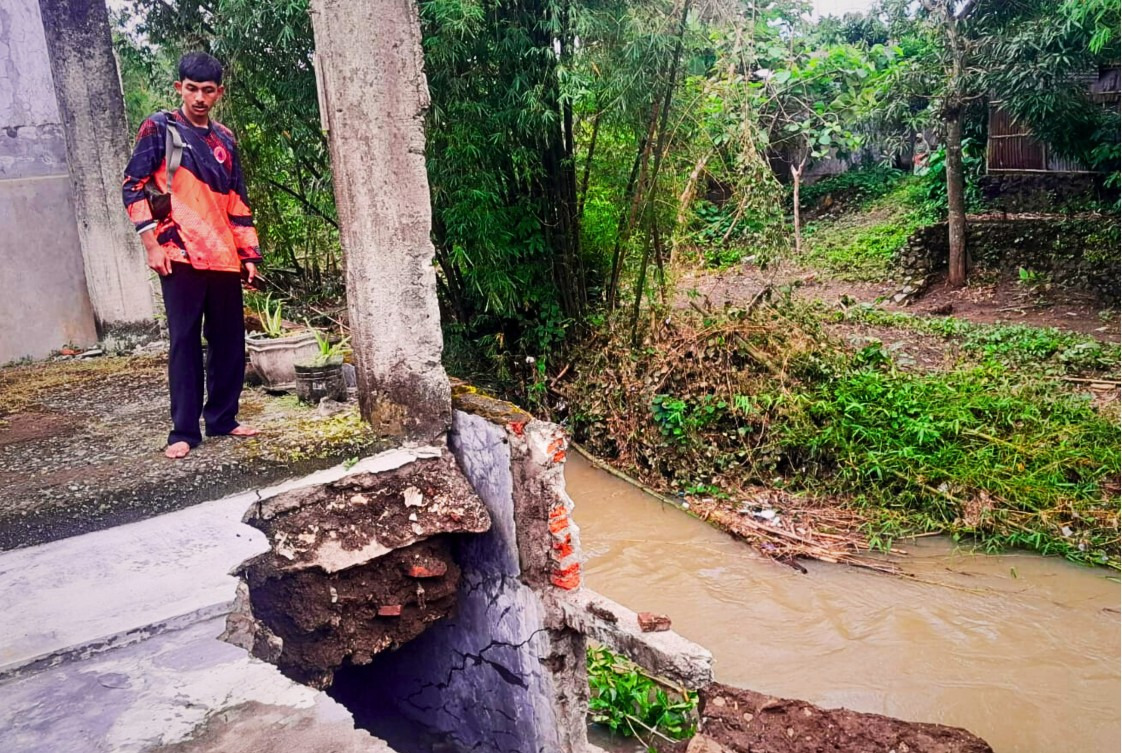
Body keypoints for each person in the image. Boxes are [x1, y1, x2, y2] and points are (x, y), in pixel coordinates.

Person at [123, 52, 261, 459]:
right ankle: (183, 431)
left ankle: (223, 419)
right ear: (178, 88)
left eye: (207, 90)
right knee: (185, 342)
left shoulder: (226, 139)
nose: (199, 97)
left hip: (222, 255)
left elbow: (237, 198)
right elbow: (132, 185)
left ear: (219, 92)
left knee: (229, 342)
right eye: (191, 89)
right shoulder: (160, 127)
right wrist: (152, 244)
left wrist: (248, 254)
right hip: (178, 253)